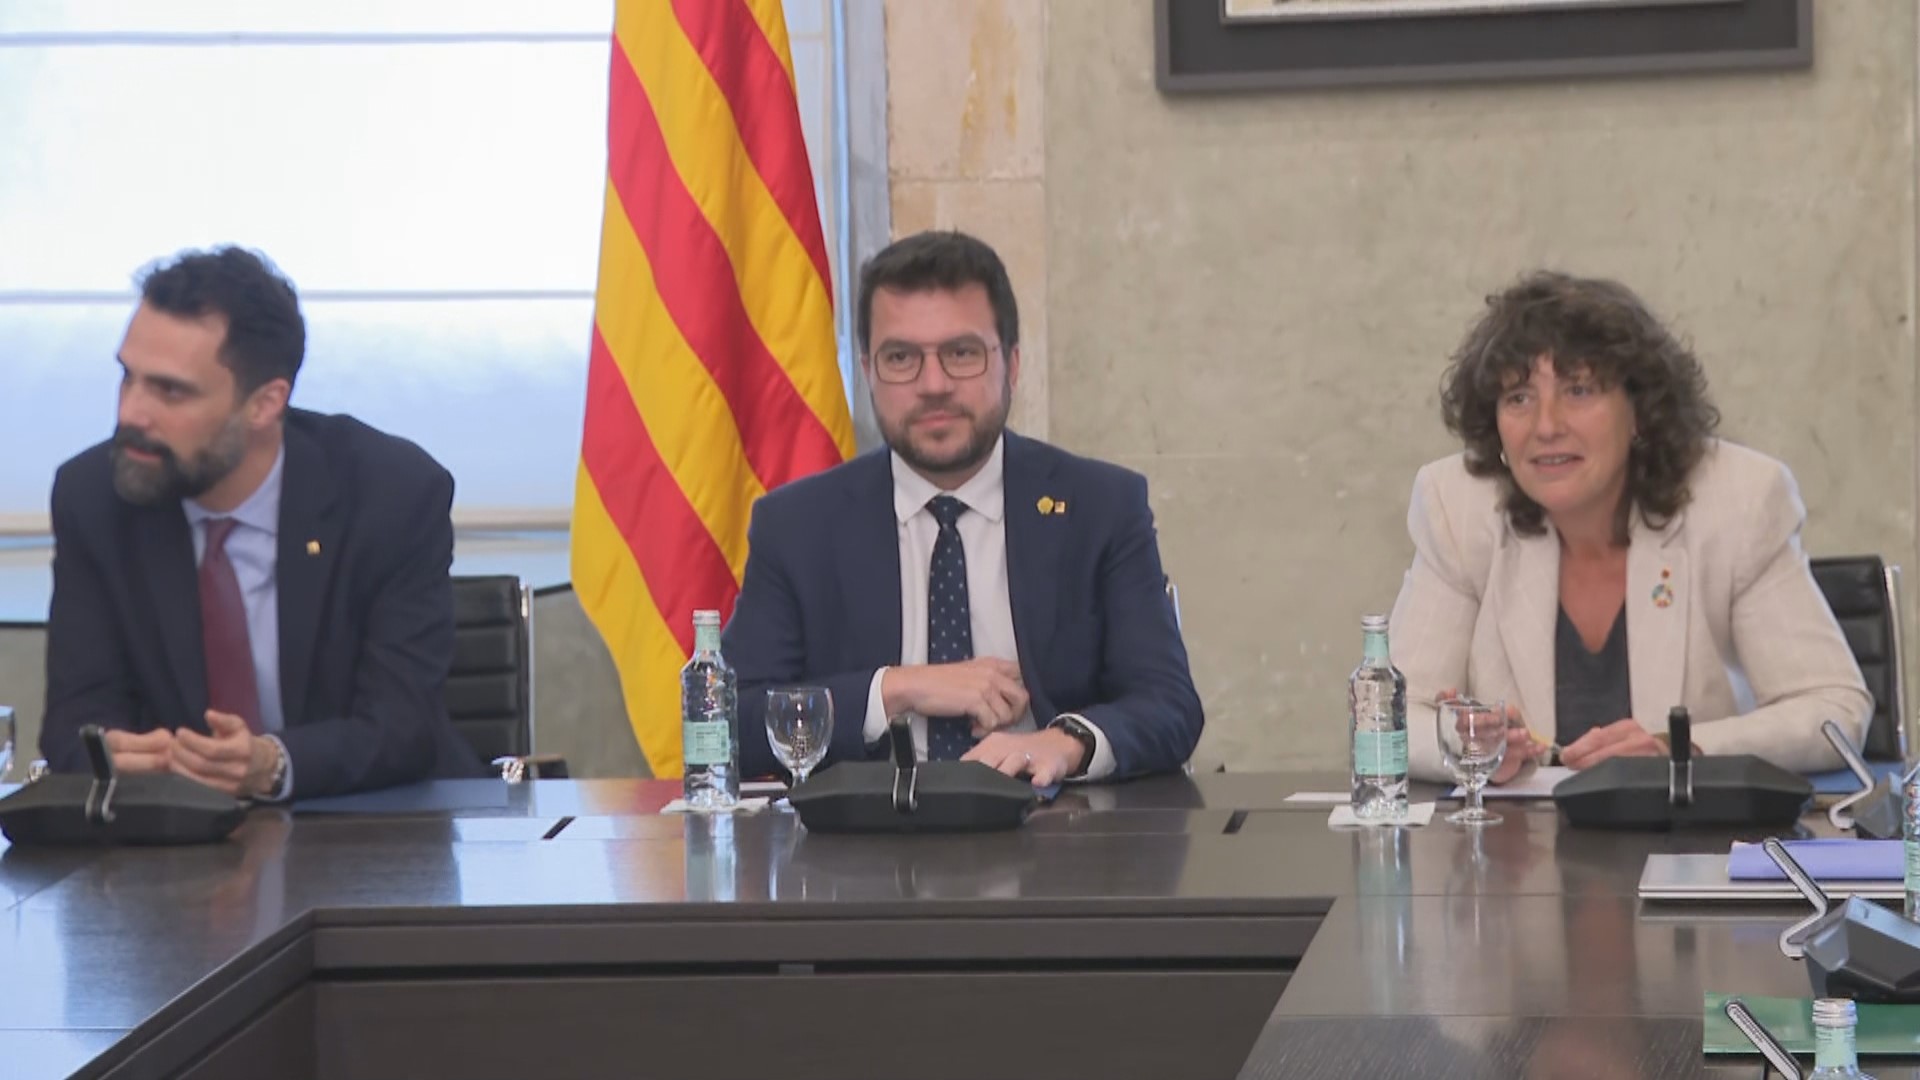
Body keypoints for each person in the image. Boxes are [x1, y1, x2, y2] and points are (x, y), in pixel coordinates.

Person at [723, 229, 1203, 786]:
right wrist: (897, 688)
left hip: (1053, 826)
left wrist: (1065, 742)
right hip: (863, 834)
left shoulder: (1100, 507)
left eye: (962, 353)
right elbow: (731, 722)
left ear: (1012, 365)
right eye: (900, 357)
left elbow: (1169, 704)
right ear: (868, 372)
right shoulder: (798, 526)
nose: (934, 384)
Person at [40, 246, 483, 799]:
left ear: (265, 403)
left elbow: (403, 726)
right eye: (128, 378)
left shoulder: (390, 493)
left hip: (373, 822)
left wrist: (275, 764)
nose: (131, 413)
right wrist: (109, 753)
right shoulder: (95, 497)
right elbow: (74, 717)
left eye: (170, 390)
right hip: (178, 833)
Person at [1391, 270, 1869, 783]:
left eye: (1579, 390)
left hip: (1689, 832)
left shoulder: (1739, 501)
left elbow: (1833, 711)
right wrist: (1467, 746)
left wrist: (1678, 752)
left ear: (1640, 412)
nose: (1546, 426)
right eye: (1519, 398)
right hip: (1519, 831)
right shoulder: (1458, 506)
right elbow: (1389, 722)